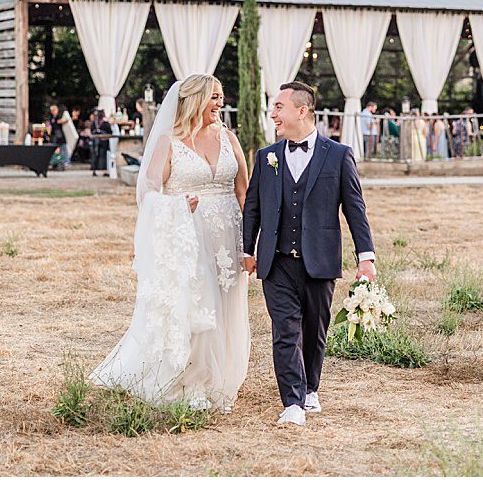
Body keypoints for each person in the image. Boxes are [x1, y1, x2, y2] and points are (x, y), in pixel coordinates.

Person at [89, 74, 250, 413]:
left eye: (221, 98)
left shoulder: (229, 139)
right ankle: (191, 380)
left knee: (226, 304)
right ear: (193, 100)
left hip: (228, 239)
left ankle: (220, 376)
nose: (220, 104)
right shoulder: (169, 141)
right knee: (198, 307)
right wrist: (175, 207)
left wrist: (251, 241)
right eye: (214, 98)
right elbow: (148, 190)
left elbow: (243, 191)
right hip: (187, 236)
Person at [242, 81, 375, 427]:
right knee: (284, 330)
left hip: (320, 260)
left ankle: (310, 388)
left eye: (279, 107)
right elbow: (253, 208)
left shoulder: (339, 155)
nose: (273, 114)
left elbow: (355, 210)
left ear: (302, 111)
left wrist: (366, 257)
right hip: (276, 261)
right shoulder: (265, 156)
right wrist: (246, 249)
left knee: (315, 329)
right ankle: (292, 402)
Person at [88, 110, 112, 176]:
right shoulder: (106, 123)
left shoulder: (94, 123)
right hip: (104, 141)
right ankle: (104, 171)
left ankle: (94, 171)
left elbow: (91, 131)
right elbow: (110, 132)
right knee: (103, 156)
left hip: (95, 141)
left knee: (95, 155)